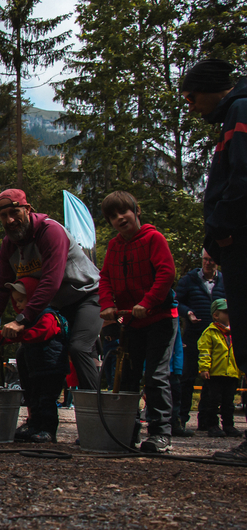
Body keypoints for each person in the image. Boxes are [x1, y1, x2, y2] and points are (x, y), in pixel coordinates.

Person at [180, 60, 247, 461]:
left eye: (191, 96)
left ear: (210, 89)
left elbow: (242, 176)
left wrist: (222, 227)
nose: (189, 105)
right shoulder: (233, 113)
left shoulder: (239, 109)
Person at [0, 189, 103, 391]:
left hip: (87, 296)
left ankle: (99, 413)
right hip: (55, 306)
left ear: (27, 209)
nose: (10, 220)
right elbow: (0, 287)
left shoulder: (51, 232)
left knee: (79, 348)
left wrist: (22, 320)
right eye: (3, 216)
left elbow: (50, 281)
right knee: (25, 354)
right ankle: (37, 417)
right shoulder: (9, 245)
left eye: (14, 212)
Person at [97, 191, 178, 453]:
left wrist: (149, 302)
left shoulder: (154, 238)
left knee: (155, 375)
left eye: (124, 212)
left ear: (136, 211)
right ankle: (126, 430)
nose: (120, 218)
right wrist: (108, 305)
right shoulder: (114, 246)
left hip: (160, 318)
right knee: (127, 376)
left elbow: (166, 273)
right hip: (130, 320)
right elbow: (106, 278)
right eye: (113, 216)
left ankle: (160, 432)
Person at [0, 277, 69, 443]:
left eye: (21, 300)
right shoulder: (30, 321)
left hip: (51, 367)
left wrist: (8, 337)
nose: (17, 305)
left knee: (46, 399)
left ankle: (47, 430)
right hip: (36, 367)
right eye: (15, 301)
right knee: (33, 397)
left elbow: (39, 334)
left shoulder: (48, 316)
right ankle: (33, 425)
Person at [174, 250, 225, 432]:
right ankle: (180, 418)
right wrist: (187, 313)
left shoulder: (223, 281)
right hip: (193, 334)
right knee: (187, 377)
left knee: (212, 379)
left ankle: (206, 419)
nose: (208, 263)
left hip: (217, 337)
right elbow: (176, 301)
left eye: (211, 260)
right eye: (205, 259)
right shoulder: (189, 280)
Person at [197, 299, 243, 438]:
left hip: (231, 373)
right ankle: (212, 425)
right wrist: (204, 368)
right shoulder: (210, 332)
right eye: (226, 312)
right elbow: (204, 351)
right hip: (215, 374)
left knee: (229, 402)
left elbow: (240, 353)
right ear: (216, 315)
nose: (230, 315)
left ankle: (228, 425)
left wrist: (242, 370)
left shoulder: (236, 333)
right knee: (213, 401)